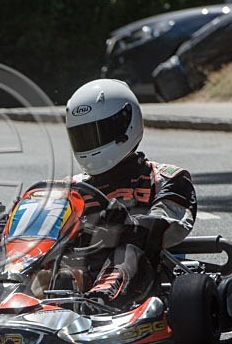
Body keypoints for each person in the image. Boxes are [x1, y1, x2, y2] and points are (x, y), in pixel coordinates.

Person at [62, 78, 197, 308]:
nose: (89, 144)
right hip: (78, 265)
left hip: (141, 271)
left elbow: (166, 226)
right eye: (82, 136)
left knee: (128, 250)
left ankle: (102, 299)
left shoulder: (166, 177)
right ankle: (11, 299)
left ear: (126, 124)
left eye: (97, 133)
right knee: (48, 261)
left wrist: (125, 224)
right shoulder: (70, 187)